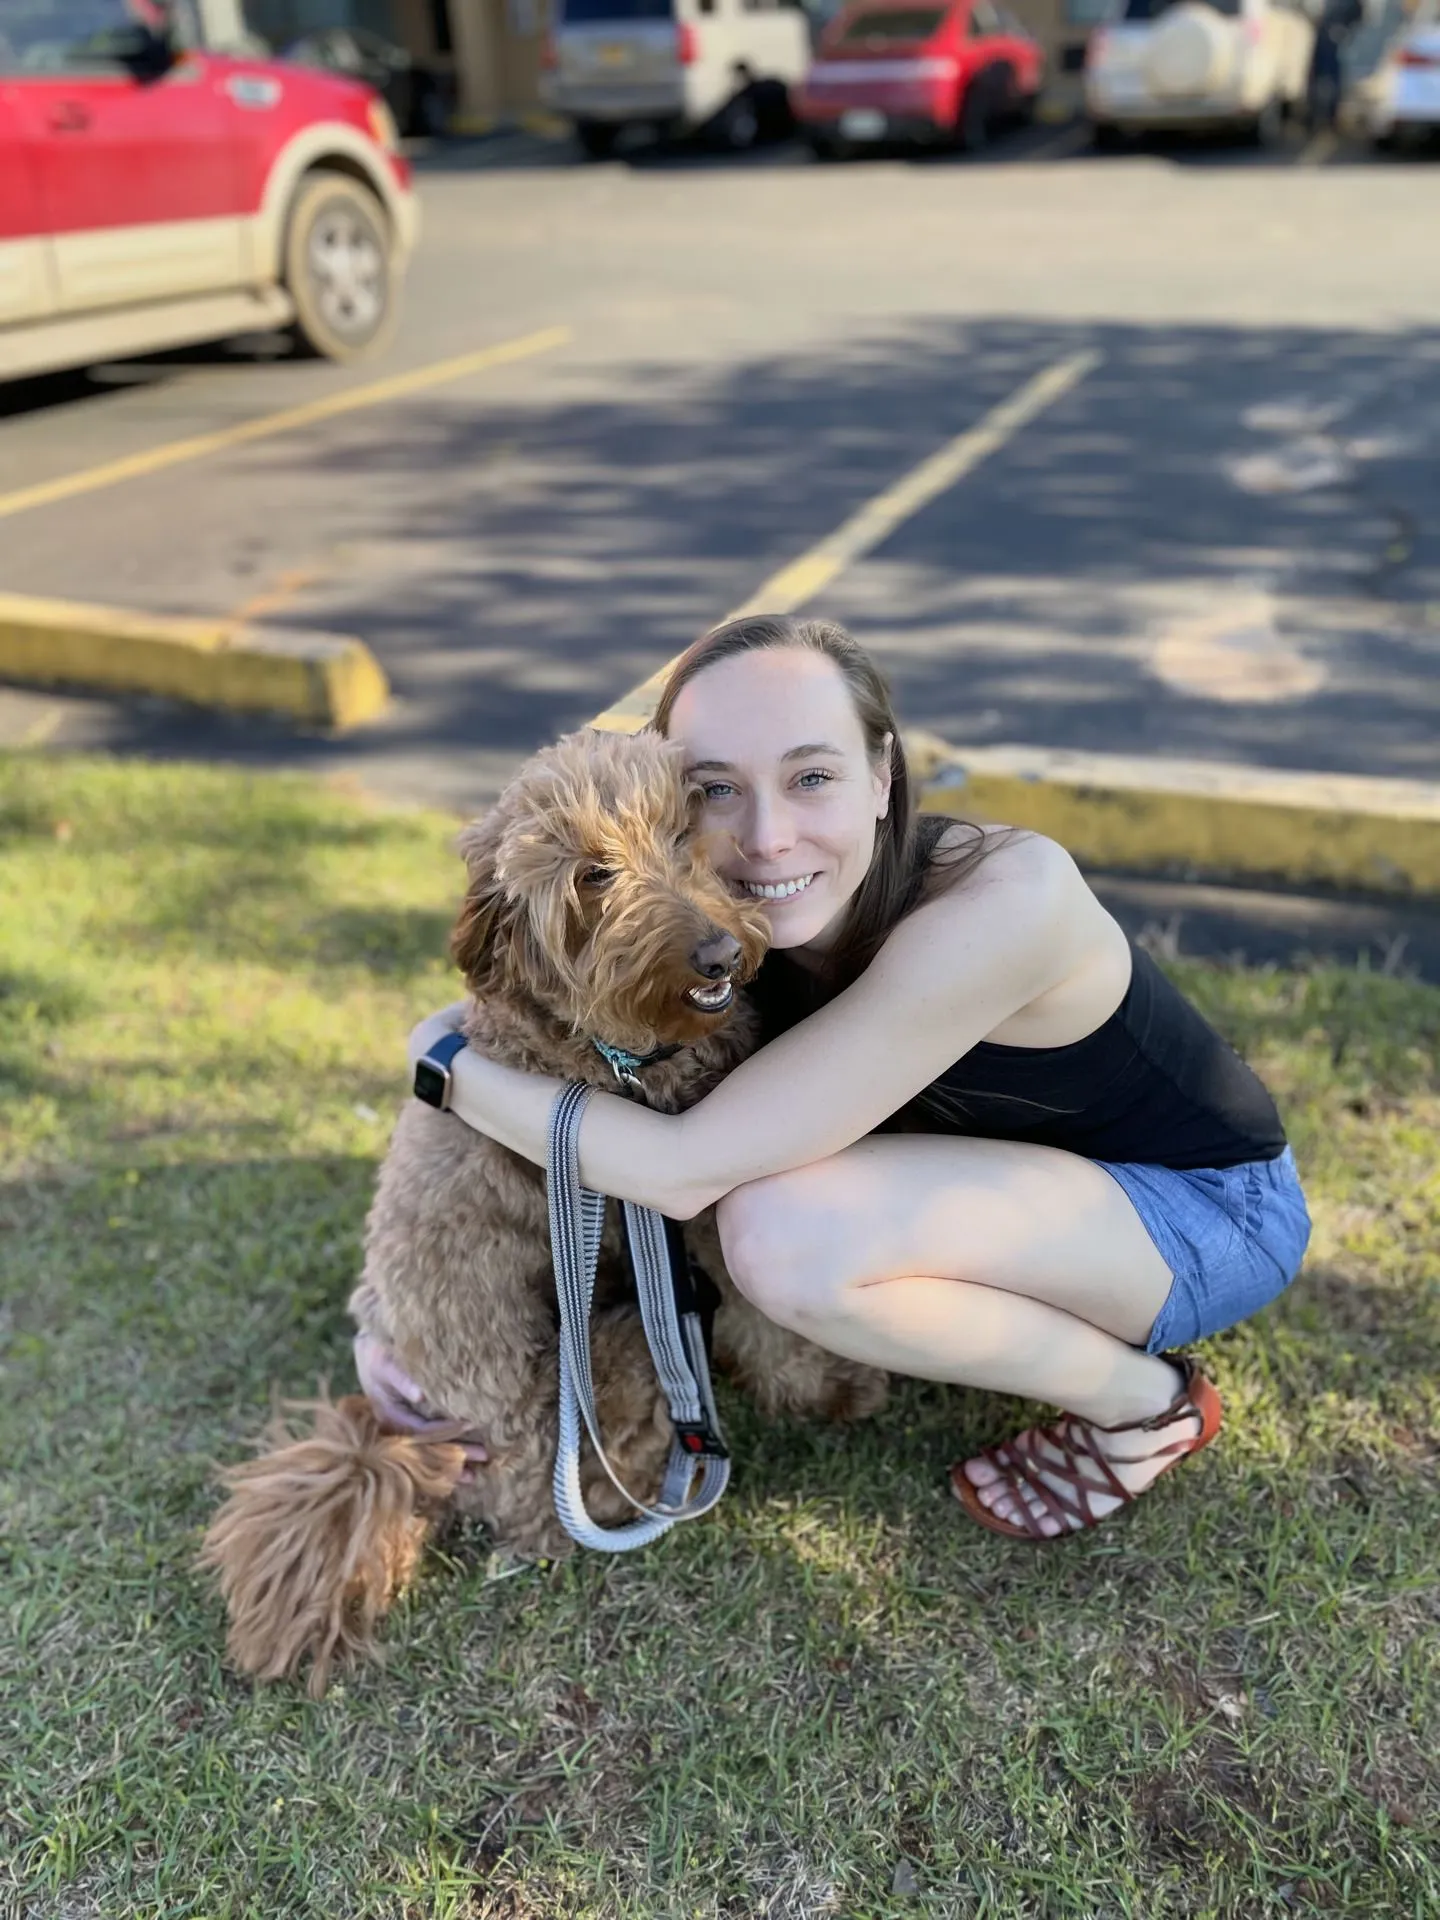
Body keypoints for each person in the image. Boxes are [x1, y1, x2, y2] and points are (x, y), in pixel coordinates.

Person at [377, 614, 1311, 1541]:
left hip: (1203, 1215)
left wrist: (444, 1062)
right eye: (716, 789)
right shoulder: (751, 922)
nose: (769, 836)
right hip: (1013, 1190)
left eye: (812, 777)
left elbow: (681, 1166)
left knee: (780, 1236)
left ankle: (1148, 1407)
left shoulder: (1008, 903)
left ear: (882, 776)